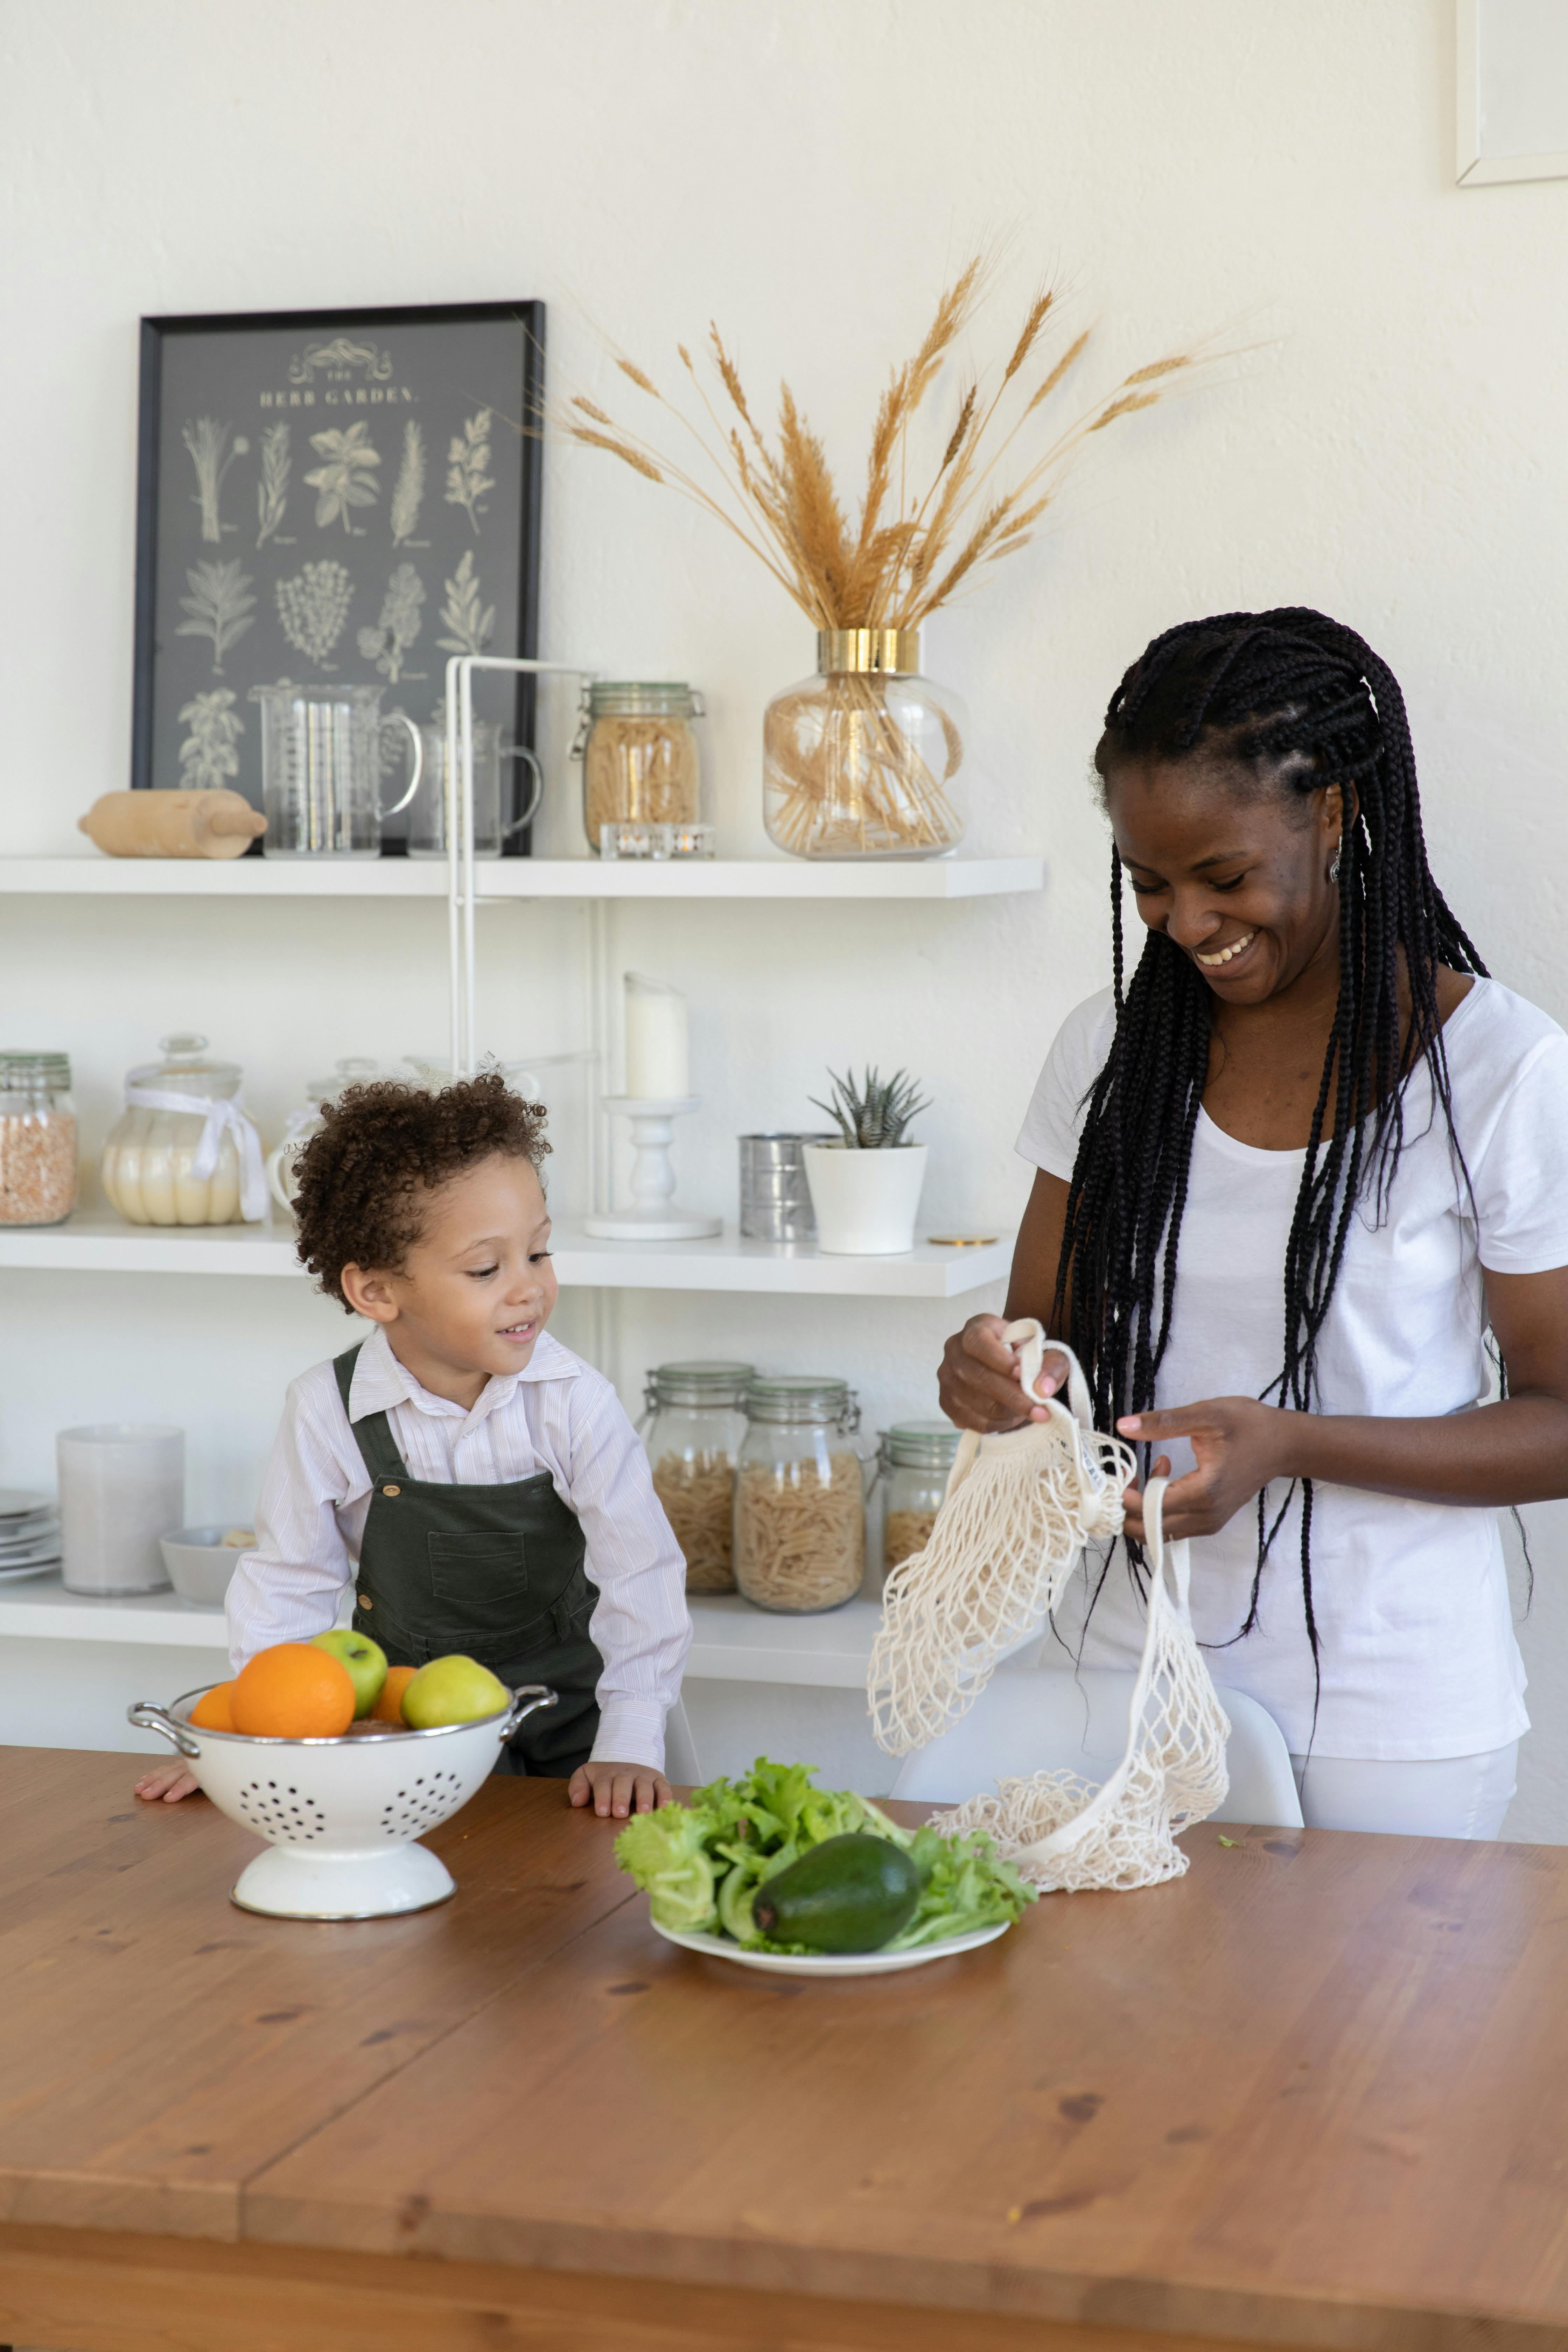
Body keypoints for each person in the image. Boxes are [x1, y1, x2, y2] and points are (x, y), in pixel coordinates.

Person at [940, 608, 1568, 1840]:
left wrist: (1290, 1444)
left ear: (1332, 812)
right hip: (1128, 1683)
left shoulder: (1501, 1070)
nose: (1184, 922)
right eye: (1150, 884)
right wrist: (1002, 1373)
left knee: (1376, 2045)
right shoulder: (1113, 1053)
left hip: (1392, 1716)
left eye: (1222, 877)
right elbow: (1047, 1340)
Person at [135, 1074, 689, 1818]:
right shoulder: (324, 1409)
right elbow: (288, 1584)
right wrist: (248, 1741)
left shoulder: (573, 1402)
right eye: (487, 1269)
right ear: (376, 1294)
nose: (527, 1288)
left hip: (581, 1732)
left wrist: (628, 1740)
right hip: (412, 1737)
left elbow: (641, 1575)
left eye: (540, 1253)